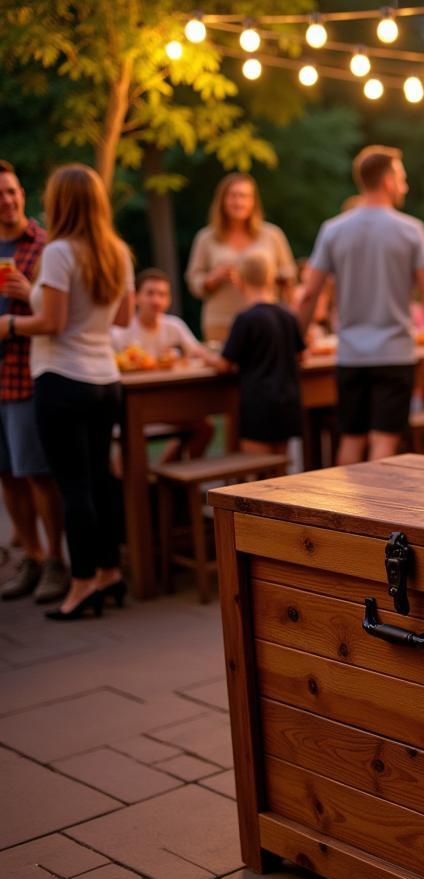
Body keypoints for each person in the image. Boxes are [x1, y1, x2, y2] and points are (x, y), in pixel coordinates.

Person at [5, 164, 134, 620]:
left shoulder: (59, 252)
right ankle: (109, 573)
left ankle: (81, 584)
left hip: (61, 378)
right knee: (99, 480)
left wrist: (9, 323)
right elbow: (121, 319)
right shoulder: (117, 251)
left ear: (61, 202)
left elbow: (53, 323)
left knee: (73, 486)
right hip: (105, 380)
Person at [297, 145, 424, 465]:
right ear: (389, 180)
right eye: (402, 178)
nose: (405, 186)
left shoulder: (333, 229)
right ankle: (372, 514)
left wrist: (298, 342)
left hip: (350, 354)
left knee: (351, 439)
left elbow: (309, 294)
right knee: (384, 442)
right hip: (394, 353)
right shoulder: (410, 230)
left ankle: (342, 514)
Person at [0, 160, 69, 604]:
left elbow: (60, 314)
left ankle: (58, 562)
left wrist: (30, 295)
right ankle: (32, 555)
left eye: (11, 191)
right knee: (7, 475)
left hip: (26, 377)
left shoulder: (46, 246)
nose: (7, 201)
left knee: (39, 473)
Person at [112, 268, 217, 461]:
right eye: (150, 293)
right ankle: (132, 485)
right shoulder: (121, 331)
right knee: (130, 435)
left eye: (162, 294)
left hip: (169, 402)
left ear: (168, 299)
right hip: (133, 406)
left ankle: (168, 477)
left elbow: (197, 352)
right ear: (136, 297)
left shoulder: (173, 325)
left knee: (204, 428)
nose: (156, 300)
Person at [185, 173, 297, 343]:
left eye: (244, 196)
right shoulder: (206, 238)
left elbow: (289, 274)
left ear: (253, 202)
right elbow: (193, 280)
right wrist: (214, 278)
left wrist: (261, 275)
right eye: (233, 196)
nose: (238, 202)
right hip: (221, 322)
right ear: (222, 201)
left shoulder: (272, 235)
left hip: (266, 320)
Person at [216, 251, 304, 456]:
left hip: (258, 405)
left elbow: (224, 364)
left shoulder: (245, 319)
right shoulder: (288, 315)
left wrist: (204, 356)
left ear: (239, 280)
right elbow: (301, 356)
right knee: (281, 470)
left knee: (257, 475)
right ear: (271, 278)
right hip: (287, 402)